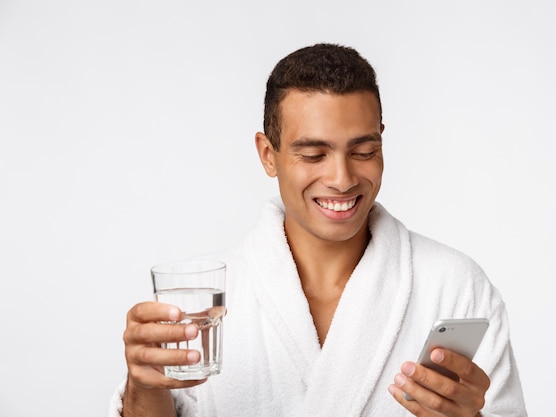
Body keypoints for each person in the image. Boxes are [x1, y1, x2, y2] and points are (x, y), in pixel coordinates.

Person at [110, 43, 527, 417]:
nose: (342, 178)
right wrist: (143, 387)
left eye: (364, 152)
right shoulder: (207, 300)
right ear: (268, 155)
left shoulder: (454, 286)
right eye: (313, 154)